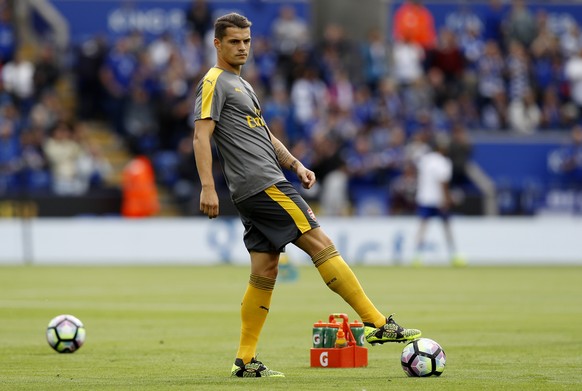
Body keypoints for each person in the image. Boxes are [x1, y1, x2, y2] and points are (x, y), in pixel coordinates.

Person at [192, 13, 422, 378]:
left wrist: (296, 164)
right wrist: (207, 186)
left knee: (264, 270)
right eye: (234, 41)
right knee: (320, 243)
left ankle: (246, 359)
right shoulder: (214, 81)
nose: (243, 48)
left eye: (247, 41)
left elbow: (265, 136)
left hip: (258, 186)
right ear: (217, 44)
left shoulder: (243, 86)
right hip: (262, 184)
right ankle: (377, 323)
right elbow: (201, 136)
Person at [412, 134, 465, 267]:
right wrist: (446, 199)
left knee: (423, 227)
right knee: (447, 228)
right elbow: (443, 183)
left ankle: (417, 257)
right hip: (438, 200)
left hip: (424, 198)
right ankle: (454, 256)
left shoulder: (425, 160)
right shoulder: (443, 162)